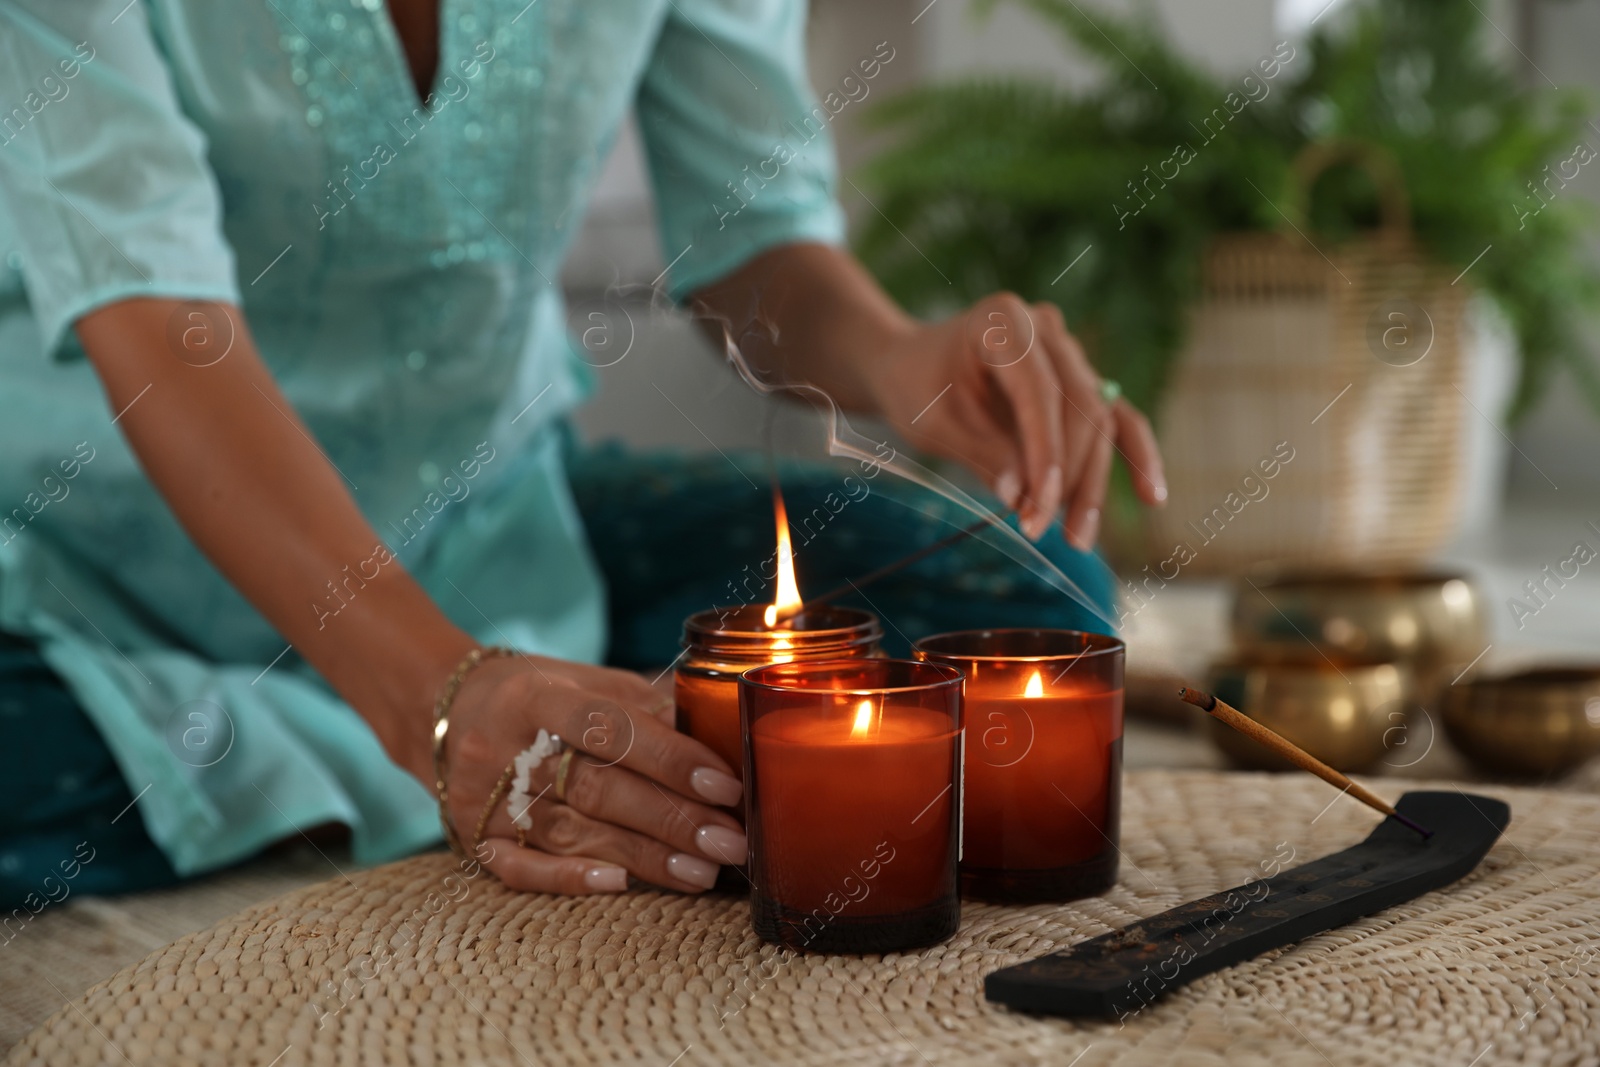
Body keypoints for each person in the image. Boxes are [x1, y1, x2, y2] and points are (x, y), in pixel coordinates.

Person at [0, 0, 1165, 907]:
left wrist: (898, 356)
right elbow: (154, 320)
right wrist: (442, 700)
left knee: (1023, 615)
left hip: (491, 539)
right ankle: (421, 751)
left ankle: (421, 762)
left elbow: (750, 232)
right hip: (79, 578)